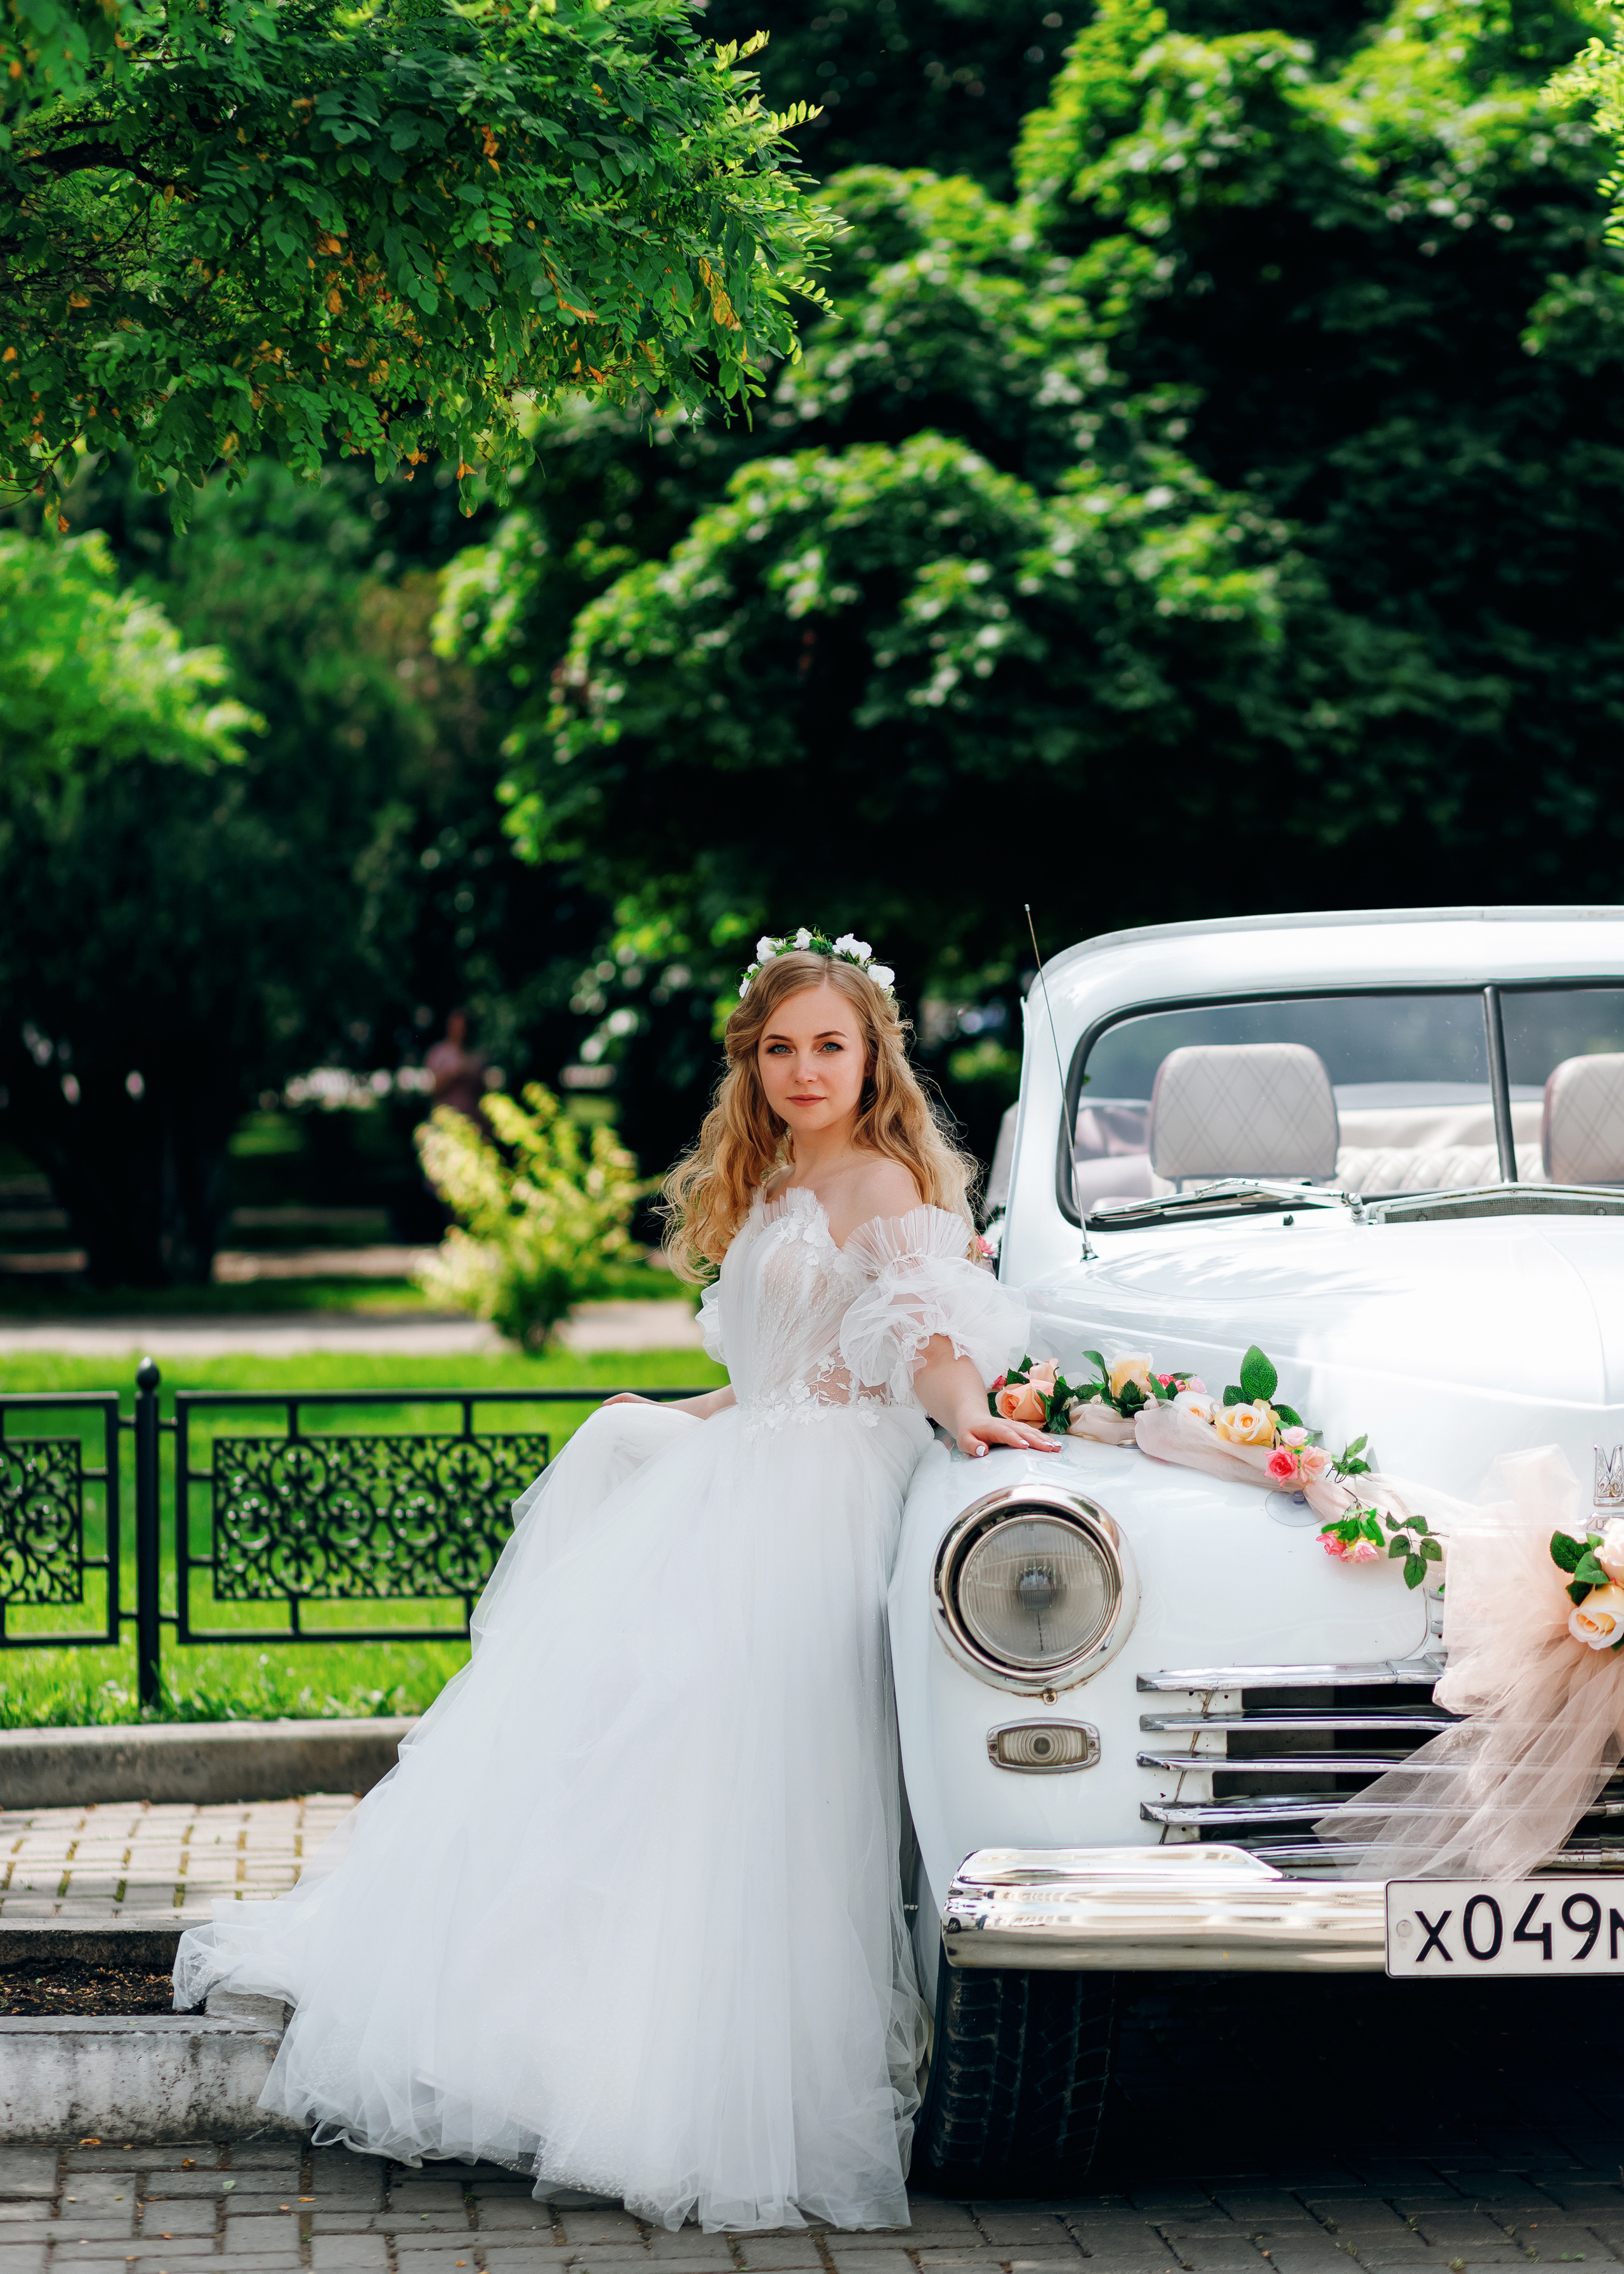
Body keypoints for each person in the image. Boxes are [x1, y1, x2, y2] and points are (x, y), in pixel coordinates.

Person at [173, 933, 1061, 2233]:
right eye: (779, 1048)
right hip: (748, 1468)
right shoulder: (770, 1185)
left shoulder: (883, 1184)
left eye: (830, 1044)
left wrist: (970, 1417)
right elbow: (777, 1370)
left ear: (874, 1055)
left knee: (738, 1768)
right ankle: (582, 2039)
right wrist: (673, 1412)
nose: (805, 1070)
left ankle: (708, 2080)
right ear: (749, 1066)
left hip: (815, 1508)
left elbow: (923, 1345)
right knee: (639, 1747)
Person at [424, 1009, 487, 1122]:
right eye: (456, 1025)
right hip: (444, 1120)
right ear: (449, 1026)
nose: (460, 1029)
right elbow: (431, 1087)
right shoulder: (438, 1053)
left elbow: (483, 1092)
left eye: (463, 1026)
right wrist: (456, 1074)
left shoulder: (474, 1055)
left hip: (471, 1122)